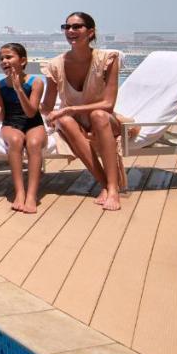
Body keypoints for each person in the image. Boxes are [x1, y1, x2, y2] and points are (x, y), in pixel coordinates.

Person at [42, 12, 125, 211]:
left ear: (90, 32)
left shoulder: (107, 59)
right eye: (67, 27)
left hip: (104, 120)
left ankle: (113, 188)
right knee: (65, 120)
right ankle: (105, 184)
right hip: (73, 122)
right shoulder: (55, 65)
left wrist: (69, 108)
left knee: (97, 115)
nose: (70, 31)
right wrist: (20, 94)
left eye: (76, 27)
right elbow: (47, 106)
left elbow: (108, 104)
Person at [0, 43, 46, 213]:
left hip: (33, 123)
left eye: (9, 57)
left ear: (23, 61)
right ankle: (20, 192)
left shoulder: (35, 82)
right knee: (16, 141)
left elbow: (31, 113)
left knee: (34, 144)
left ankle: (31, 195)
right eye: (2, 58)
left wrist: (19, 90)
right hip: (10, 123)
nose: (4, 61)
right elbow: (0, 116)